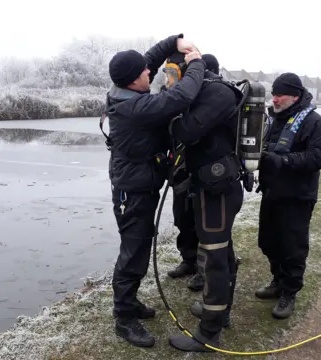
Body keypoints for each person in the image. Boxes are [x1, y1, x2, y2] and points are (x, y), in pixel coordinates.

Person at [104, 34, 206, 348]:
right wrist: (196, 63)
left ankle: (129, 303)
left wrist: (173, 42)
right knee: (133, 252)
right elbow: (182, 96)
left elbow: (146, 60)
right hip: (132, 192)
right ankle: (124, 317)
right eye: (145, 72)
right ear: (134, 79)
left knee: (138, 247)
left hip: (139, 184)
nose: (151, 72)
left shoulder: (123, 90)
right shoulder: (138, 107)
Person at [163, 51, 245, 352]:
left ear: (190, 71)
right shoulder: (203, 92)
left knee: (214, 259)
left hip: (218, 190)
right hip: (210, 186)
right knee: (220, 254)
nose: (170, 82)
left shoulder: (218, 93)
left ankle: (209, 333)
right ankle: (219, 313)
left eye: (173, 74)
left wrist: (171, 113)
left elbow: (186, 130)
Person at [254, 73, 321, 319]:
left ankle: (290, 292)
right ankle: (277, 280)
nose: (274, 99)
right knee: (268, 241)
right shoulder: (273, 120)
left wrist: (283, 160)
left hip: (298, 196)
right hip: (272, 192)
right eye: (273, 94)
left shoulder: (314, 122)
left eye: (280, 95)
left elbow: (320, 156)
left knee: (292, 247)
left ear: (295, 96)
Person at [167, 53, 221, 293]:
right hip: (182, 171)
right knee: (183, 218)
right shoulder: (187, 97)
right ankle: (188, 260)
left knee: (206, 225)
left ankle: (204, 269)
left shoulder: (218, 100)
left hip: (208, 174)